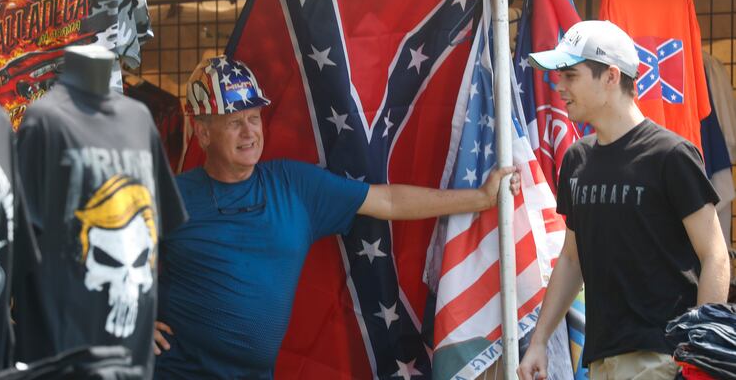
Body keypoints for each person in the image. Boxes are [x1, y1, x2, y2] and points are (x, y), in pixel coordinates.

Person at [153, 56, 521, 379]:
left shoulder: (293, 186)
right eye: (234, 122)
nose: (250, 132)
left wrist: (481, 197)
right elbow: (102, 255)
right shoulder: (166, 195)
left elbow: (388, 201)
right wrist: (132, 321)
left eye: (254, 118)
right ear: (202, 133)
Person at [517, 21, 731, 380]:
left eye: (570, 75)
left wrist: (697, 356)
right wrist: (538, 341)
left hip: (663, 358)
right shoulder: (576, 159)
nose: (560, 86)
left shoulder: (671, 155)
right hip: (601, 360)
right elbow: (571, 259)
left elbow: (715, 254)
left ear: (611, 77)